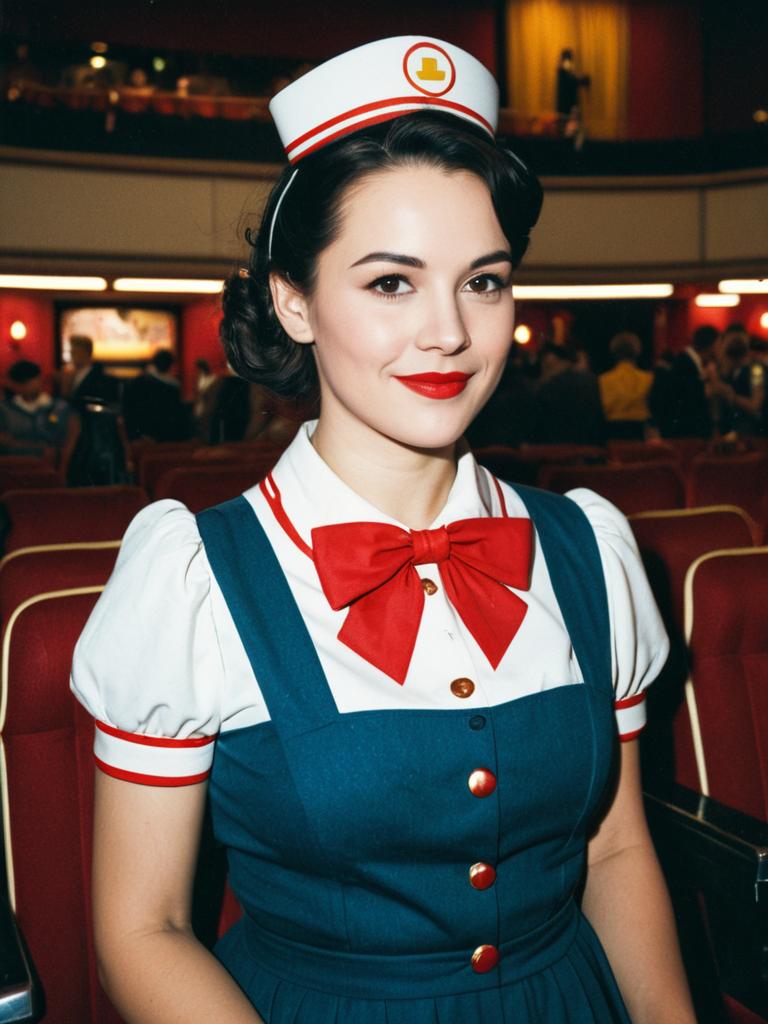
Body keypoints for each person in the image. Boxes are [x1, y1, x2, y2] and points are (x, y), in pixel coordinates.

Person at [70, 36, 695, 1024]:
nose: (448, 330)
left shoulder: (589, 550)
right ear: (295, 300)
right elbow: (142, 927)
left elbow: (615, 852)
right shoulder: (194, 580)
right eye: (391, 282)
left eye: (483, 280)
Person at [649, 324, 723, 438]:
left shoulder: (688, 363)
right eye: (719, 344)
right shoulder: (684, 365)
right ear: (711, 345)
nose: (721, 349)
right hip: (685, 437)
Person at [530, 342, 607, 445]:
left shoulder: (548, 386)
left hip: (554, 449)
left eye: (546, 365)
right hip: (590, 448)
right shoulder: (591, 380)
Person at [0, 359, 76, 459]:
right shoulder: (6, 409)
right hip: (15, 466)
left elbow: (63, 441)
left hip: (49, 466)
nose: (27, 387)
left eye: (31, 382)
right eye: (23, 384)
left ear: (39, 379)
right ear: (16, 385)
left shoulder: (59, 408)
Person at [123, 349, 189, 442]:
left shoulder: (136, 381)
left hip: (137, 436)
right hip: (161, 438)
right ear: (170, 366)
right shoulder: (171, 388)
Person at [598, 331, 653, 440]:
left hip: (611, 433)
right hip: (641, 433)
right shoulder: (649, 378)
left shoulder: (603, 380)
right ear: (638, 351)